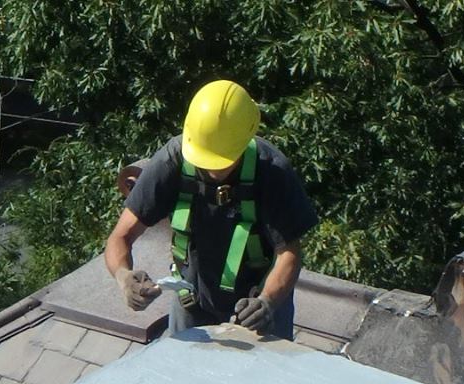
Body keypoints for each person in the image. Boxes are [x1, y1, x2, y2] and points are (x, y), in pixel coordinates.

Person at [104, 80, 317, 340]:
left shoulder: (271, 170)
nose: (213, 170)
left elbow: (289, 253)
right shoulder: (173, 160)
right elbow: (121, 236)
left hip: (258, 306)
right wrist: (123, 276)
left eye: (223, 160)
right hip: (193, 303)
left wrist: (268, 302)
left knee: (263, 378)